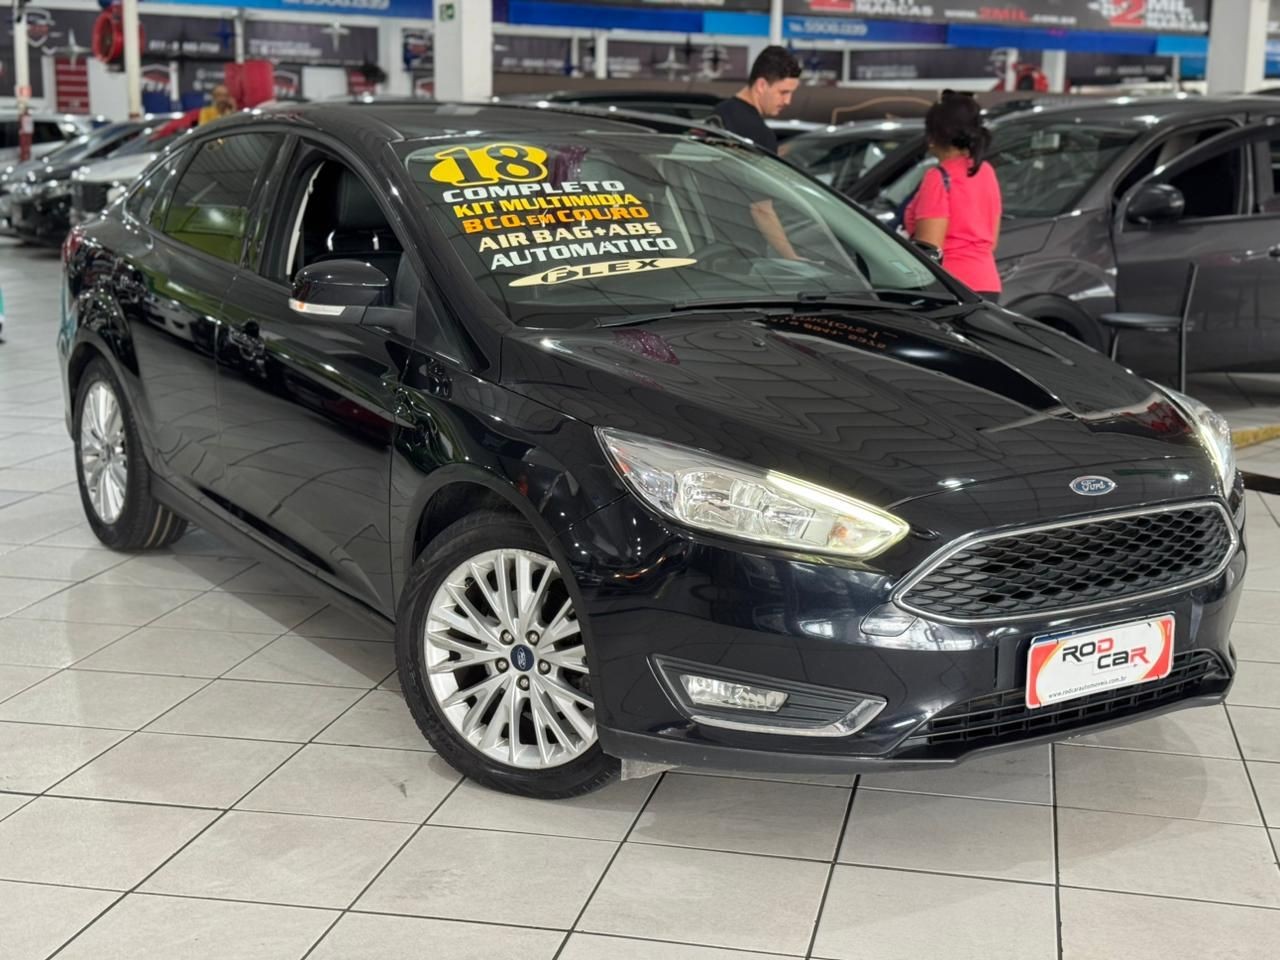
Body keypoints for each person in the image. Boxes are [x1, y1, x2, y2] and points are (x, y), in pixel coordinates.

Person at [904, 91, 1003, 300]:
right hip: (988, 284)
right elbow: (991, 241)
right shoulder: (985, 171)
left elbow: (931, 250)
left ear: (933, 136)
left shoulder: (938, 178)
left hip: (950, 287)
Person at [712, 46, 803, 259]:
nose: (788, 101)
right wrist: (792, 258)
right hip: (741, 254)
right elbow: (761, 209)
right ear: (761, 85)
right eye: (783, 92)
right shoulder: (760, 134)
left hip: (707, 241)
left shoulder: (718, 114)